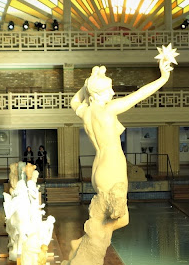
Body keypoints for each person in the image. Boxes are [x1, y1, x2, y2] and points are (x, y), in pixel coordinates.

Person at [70, 50, 174, 227]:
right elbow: (139, 95)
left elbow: (74, 101)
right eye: (108, 90)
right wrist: (163, 78)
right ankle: (90, 238)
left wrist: (88, 84)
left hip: (97, 169)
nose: (112, 92)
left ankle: (92, 239)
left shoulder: (85, 112)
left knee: (104, 216)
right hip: (112, 166)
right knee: (122, 219)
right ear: (96, 94)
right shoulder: (109, 110)